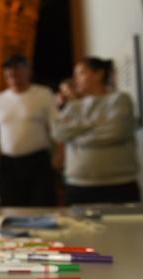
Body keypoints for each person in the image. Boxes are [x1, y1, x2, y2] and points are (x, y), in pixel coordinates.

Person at [51, 57, 140, 204]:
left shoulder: (119, 100)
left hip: (118, 185)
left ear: (99, 73)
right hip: (77, 186)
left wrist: (74, 136)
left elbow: (115, 132)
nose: (75, 80)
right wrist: (96, 124)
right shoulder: (74, 106)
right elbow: (58, 133)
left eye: (80, 73)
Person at [0, 55, 56, 206]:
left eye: (16, 71)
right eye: (8, 72)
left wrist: (60, 153)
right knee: (11, 205)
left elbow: (54, 126)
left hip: (38, 161)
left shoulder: (43, 94)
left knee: (41, 205)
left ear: (28, 71)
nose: (12, 75)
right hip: (9, 163)